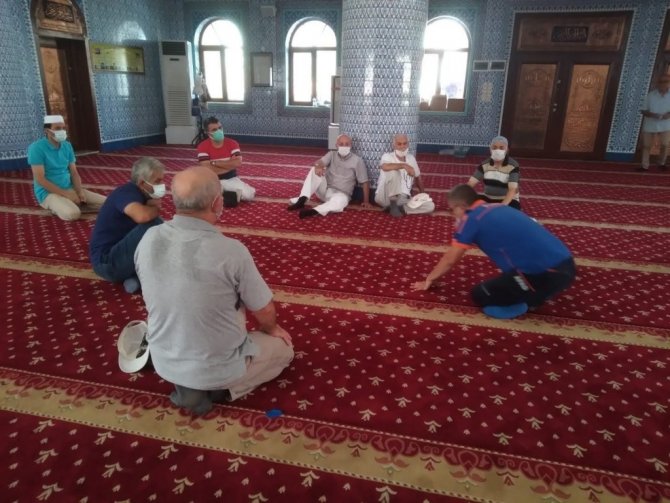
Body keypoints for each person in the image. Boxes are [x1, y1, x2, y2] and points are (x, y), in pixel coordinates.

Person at [134, 166, 294, 415]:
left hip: (164, 360)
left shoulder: (148, 238)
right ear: (217, 202)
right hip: (218, 367)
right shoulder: (231, 251)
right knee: (284, 349)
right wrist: (272, 329)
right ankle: (216, 390)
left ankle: (187, 381)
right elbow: (264, 310)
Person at [412, 184, 575, 319]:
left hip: (546, 275)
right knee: (509, 276)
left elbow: (450, 259)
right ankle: (536, 292)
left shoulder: (471, 219)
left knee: (481, 294)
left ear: (460, 207)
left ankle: (528, 301)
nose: (452, 214)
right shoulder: (497, 206)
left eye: (451, 210)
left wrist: (430, 279)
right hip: (567, 265)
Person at [89, 157, 165, 294]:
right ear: (142, 183)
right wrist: (155, 208)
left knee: (158, 233)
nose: (162, 185)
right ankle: (141, 276)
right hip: (107, 262)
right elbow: (142, 216)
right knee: (155, 225)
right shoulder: (126, 192)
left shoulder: (143, 195)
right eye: (157, 181)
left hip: (120, 256)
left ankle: (135, 278)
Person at [27, 114, 106, 220]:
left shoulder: (67, 146)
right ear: (47, 131)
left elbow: (74, 172)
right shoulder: (36, 148)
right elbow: (40, 179)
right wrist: (66, 194)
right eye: (57, 128)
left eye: (63, 128)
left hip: (70, 188)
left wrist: (79, 191)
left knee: (110, 203)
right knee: (73, 214)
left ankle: (71, 204)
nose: (62, 131)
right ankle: (61, 205)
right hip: (48, 193)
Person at [287, 134, 370, 218]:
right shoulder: (332, 154)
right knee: (314, 169)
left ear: (351, 145)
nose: (344, 146)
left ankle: (314, 211)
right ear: (336, 145)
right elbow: (319, 162)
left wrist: (366, 201)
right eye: (341, 144)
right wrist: (318, 166)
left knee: (340, 202)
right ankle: (302, 200)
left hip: (341, 194)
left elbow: (365, 181)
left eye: (347, 144)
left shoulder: (357, 161)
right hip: (325, 191)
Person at [196, 116, 255, 203]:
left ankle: (222, 194)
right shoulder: (203, 146)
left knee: (249, 195)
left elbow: (237, 163)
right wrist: (229, 165)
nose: (218, 131)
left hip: (230, 178)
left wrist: (214, 163)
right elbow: (206, 168)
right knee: (197, 197)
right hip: (211, 180)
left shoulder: (232, 143)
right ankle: (228, 195)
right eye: (214, 130)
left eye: (220, 128)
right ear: (207, 132)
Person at [375, 134, 434, 217]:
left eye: (404, 143)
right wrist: (404, 165)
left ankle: (399, 208)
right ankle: (393, 204)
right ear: (394, 145)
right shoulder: (387, 156)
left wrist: (423, 196)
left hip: (403, 199)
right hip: (385, 196)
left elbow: (418, 179)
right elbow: (384, 167)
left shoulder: (411, 158)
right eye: (399, 144)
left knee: (430, 206)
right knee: (394, 172)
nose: (402, 146)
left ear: (408, 144)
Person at [467, 135, 521, 210]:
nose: (497, 150)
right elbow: (471, 183)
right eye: (494, 147)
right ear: (490, 149)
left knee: (509, 213)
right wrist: (461, 197)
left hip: (508, 200)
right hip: (488, 198)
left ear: (507, 150)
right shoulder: (484, 164)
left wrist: (502, 206)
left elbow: (512, 189)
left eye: (501, 148)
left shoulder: (513, 165)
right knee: (469, 206)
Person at [639, 73, 670, 172]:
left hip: (666, 124)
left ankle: (661, 163)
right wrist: (652, 115)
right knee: (646, 145)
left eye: (665, 81)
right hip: (650, 124)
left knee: (665, 144)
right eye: (660, 81)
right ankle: (644, 166)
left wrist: (668, 114)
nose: (663, 83)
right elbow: (643, 110)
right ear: (657, 83)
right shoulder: (650, 95)